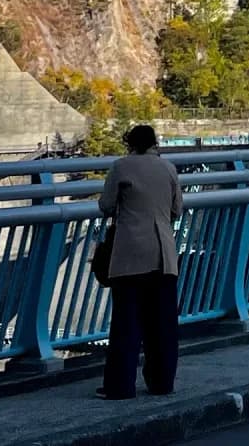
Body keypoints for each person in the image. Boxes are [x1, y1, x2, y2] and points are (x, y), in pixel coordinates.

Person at [97, 124, 183, 400]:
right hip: (164, 255)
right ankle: (162, 382)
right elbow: (176, 209)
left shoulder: (121, 167)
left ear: (130, 143)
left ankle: (120, 386)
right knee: (163, 323)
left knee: (126, 323)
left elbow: (106, 205)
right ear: (154, 143)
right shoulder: (168, 168)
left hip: (131, 254)